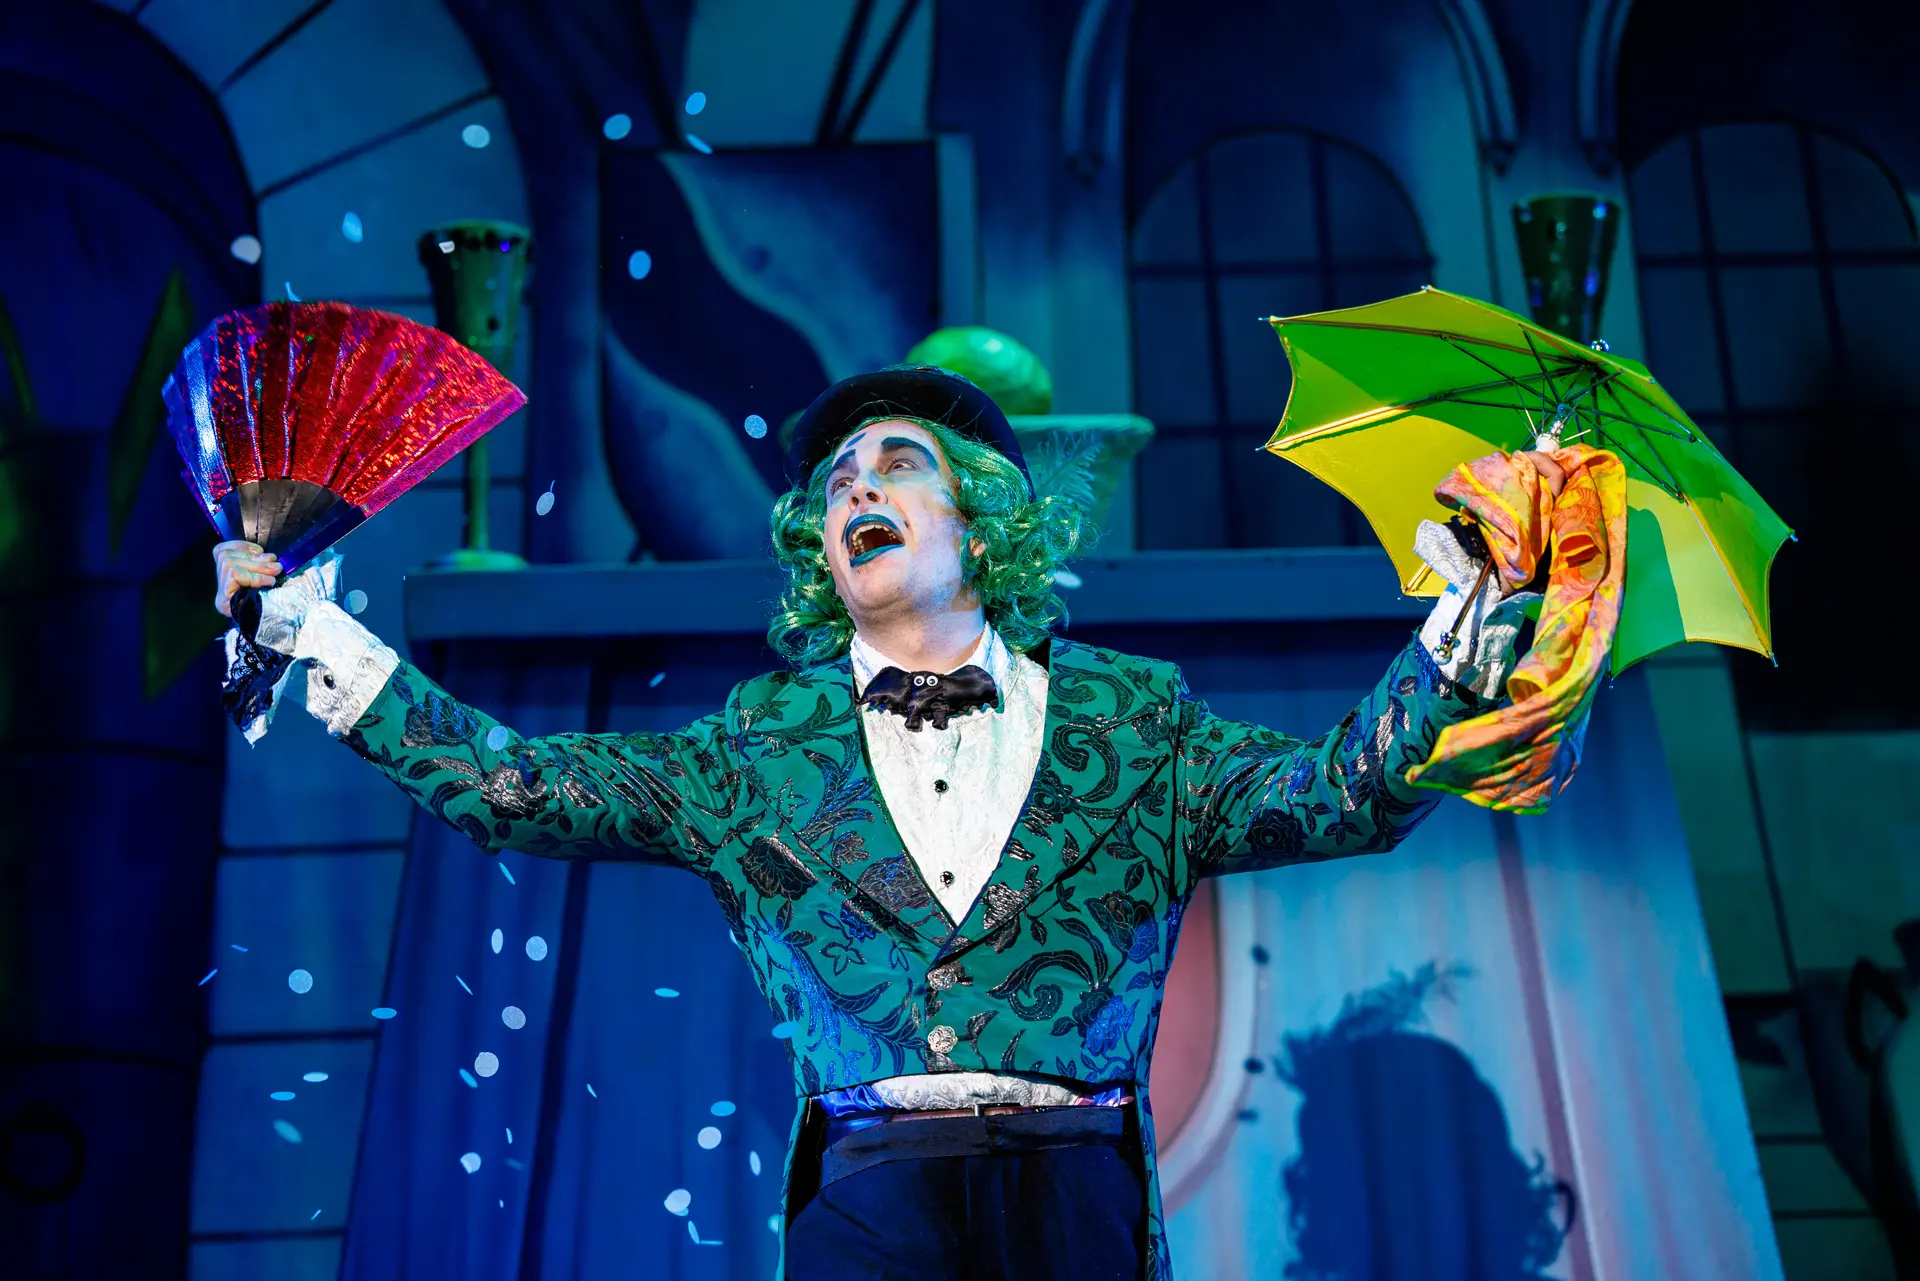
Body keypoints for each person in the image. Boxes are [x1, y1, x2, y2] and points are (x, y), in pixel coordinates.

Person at [213, 365, 1563, 1281]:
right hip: (870, 1190)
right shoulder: (755, 748)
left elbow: (1340, 792)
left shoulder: (1133, 721)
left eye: (897, 464)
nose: (857, 488)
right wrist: (309, 628)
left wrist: (1483, 612)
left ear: (981, 515)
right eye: (837, 481)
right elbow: (515, 788)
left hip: (1074, 1186)